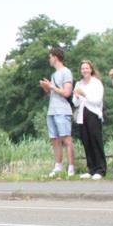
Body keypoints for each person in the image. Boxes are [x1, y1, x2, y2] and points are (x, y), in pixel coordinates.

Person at [39, 47, 75, 178]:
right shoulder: (54, 75)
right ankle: (58, 166)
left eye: (50, 56)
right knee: (54, 140)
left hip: (62, 110)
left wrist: (53, 87)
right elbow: (52, 93)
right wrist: (47, 87)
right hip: (52, 110)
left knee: (67, 139)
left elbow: (67, 93)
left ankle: (71, 168)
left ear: (55, 57)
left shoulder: (66, 72)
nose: (49, 59)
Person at [73, 60, 106, 179]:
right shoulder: (78, 83)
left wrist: (84, 94)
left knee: (96, 141)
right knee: (86, 142)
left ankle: (100, 169)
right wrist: (77, 96)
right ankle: (91, 168)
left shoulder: (96, 83)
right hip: (82, 115)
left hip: (93, 113)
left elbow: (97, 100)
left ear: (91, 69)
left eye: (87, 68)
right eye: (83, 69)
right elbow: (75, 102)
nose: (85, 70)